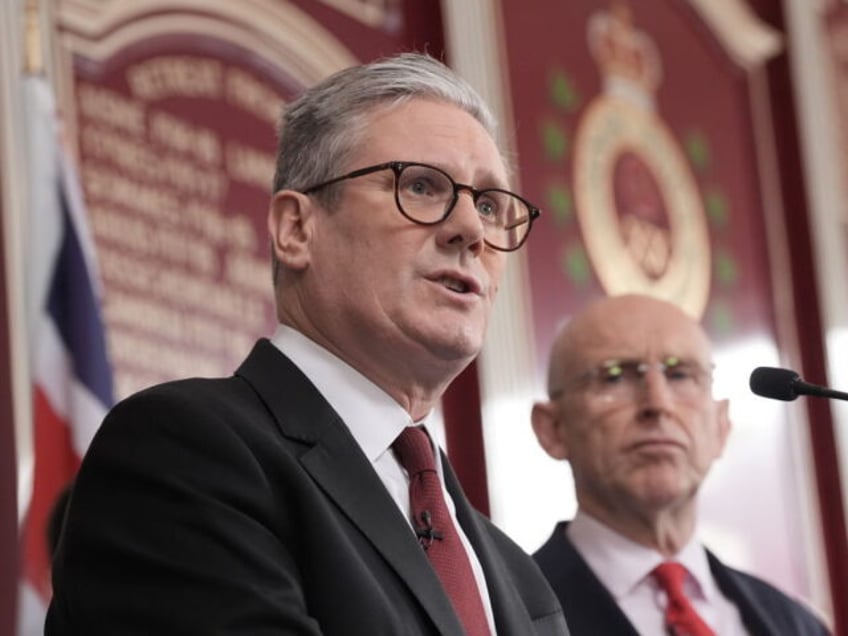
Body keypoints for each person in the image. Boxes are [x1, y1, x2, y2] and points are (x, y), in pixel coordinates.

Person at [45, 52, 569, 635]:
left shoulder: (519, 578)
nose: (471, 230)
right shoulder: (183, 454)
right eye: (422, 186)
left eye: (491, 205)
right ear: (296, 229)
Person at [531, 294, 830, 636]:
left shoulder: (799, 626)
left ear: (721, 426)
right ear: (553, 429)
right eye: (614, 376)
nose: (658, 404)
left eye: (680, 375)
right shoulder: (504, 614)